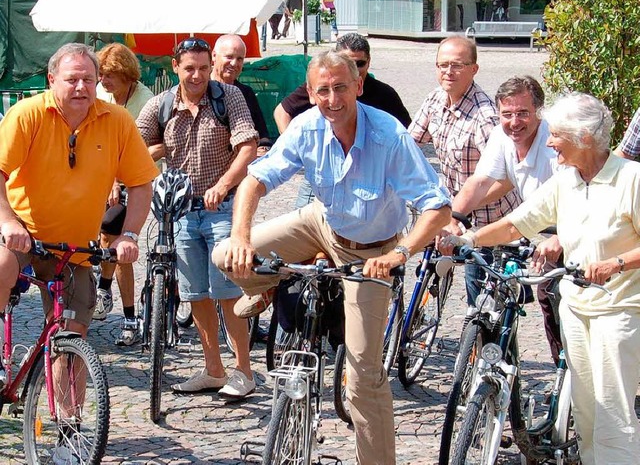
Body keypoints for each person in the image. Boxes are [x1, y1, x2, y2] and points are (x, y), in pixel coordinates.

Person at [213, 50, 452, 464]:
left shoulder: (388, 136)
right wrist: (240, 237)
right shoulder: (306, 127)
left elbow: (437, 208)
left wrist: (400, 253)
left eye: (341, 87)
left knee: (363, 380)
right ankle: (267, 285)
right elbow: (255, 179)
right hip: (322, 222)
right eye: (322, 90)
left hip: (373, 251)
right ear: (310, 92)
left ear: (359, 86)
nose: (332, 99)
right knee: (225, 256)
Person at [440, 92, 640, 465]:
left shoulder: (631, 180)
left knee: (614, 416)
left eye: (557, 134)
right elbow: (519, 222)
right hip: (577, 308)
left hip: (621, 312)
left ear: (583, 138)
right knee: (587, 413)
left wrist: (616, 263)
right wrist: (468, 238)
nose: (548, 141)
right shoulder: (567, 181)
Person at [0, 42, 157, 416]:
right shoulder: (27, 114)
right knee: (2, 263)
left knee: (72, 338)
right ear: (52, 79)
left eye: (89, 79)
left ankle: (69, 428)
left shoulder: (115, 121)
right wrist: (7, 221)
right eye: (72, 80)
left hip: (74, 247)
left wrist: (129, 235)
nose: (81, 88)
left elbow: (140, 183)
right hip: (25, 231)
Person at [136, 37, 259, 399]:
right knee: (195, 294)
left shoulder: (227, 97)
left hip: (222, 208)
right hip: (182, 211)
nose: (197, 75)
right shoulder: (161, 105)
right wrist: (158, 151)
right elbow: (133, 145)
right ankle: (213, 370)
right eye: (189, 68)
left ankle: (244, 372)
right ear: (175, 67)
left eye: (204, 68)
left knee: (227, 290)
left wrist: (223, 185)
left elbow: (248, 146)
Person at [443, 75, 564, 364]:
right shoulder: (502, 135)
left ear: (539, 111)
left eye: (523, 113)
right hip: (534, 227)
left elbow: (577, 202)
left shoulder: (554, 146)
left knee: (556, 300)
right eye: (507, 114)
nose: (514, 122)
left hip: (570, 231)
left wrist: (561, 238)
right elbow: (481, 182)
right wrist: (453, 218)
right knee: (494, 277)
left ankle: (568, 376)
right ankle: (495, 370)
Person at [408, 36, 520, 307]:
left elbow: (507, 180)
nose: (449, 72)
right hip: (450, 213)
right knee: (424, 268)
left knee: (483, 307)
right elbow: (409, 145)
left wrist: (461, 211)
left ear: (474, 69)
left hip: (490, 222)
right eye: (443, 64)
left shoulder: (485, 117)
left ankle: (483, 347)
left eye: (457, 65)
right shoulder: (436, 100)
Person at [271, 32, 412, 211]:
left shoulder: (384, 94)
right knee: (303, 226)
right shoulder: (322, 86)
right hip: (321, 173)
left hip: (367, 178)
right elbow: (281, 112)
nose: (334, 99)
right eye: (348, 62)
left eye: (360, 63)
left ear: (369, 62)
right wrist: (299, 150)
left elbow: (409, 135)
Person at [93, 43, 155, 347]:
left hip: (137, 180)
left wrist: (117, 179)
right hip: (105, 179)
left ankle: (127, 314)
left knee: (118, 241)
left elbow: (139, 152)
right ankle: (103, 290)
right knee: (105, 239)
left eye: (109, 75)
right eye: (101, 75)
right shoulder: (100, 97)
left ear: (127, 75)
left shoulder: (145, 102)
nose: (103, 81)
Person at [211, 34, 271, 156]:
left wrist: (262, 149)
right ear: (214, 56)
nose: (234, 63)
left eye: (240, 59)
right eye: (229, 57)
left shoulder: (246, 93)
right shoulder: (200, 89)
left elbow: (262, 135)